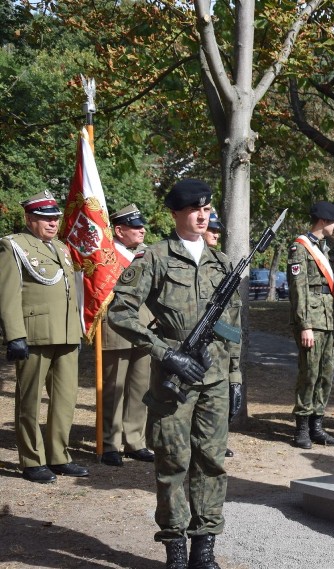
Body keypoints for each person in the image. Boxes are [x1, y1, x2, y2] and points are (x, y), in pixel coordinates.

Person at [108, 179, 243, 568]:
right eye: (193, 209)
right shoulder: (155, 258)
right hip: (175, 379)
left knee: (212, 460)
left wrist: (234, 376)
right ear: (175, 214)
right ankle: (176, 550)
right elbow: (119, 311)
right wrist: (165, 353)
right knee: (172, 462)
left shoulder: (221, 263)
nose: (202, 216)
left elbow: (231, 325)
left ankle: (204, 548)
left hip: (214, 378)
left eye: (206, 209)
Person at [0, 190, 87, 483]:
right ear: (29, 218)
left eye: (55, 218)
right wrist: (14, 335)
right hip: (34, 335)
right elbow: (7, 295)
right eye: (44, 218)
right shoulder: (13, 245)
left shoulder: (61, 248)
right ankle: (32, 460)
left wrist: (76, 329)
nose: (52, 223)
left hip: (65, 333)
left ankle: (59, 456)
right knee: (30, 400)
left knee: (65, 399)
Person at [100, 204, 154, 467]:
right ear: (119, 230)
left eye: (141, 225)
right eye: (135, 226)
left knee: (139, 387)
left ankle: (135, 441)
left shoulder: (146, 254)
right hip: (115, 327)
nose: (141, 229)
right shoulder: (106, 256)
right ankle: (110, 443)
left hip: (143, 326)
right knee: (113, 389)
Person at [288, 201, 334, 449]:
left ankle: (317, 426)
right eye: (333, 222)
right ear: (323, 221)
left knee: (326, 375)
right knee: (309, 374)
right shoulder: (300, 248)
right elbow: (298, 291)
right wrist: (304, 325)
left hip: (329, 320)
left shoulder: (327, 250)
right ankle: (301, 428)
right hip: (311, 320)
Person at [202, 208, 235, 459]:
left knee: (220, 397)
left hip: (222, 342)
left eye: (217, 230)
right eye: (211, 229)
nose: (215, 233)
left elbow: (233, 311)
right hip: (197, 342)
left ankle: (218, 442)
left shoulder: (224, 261)